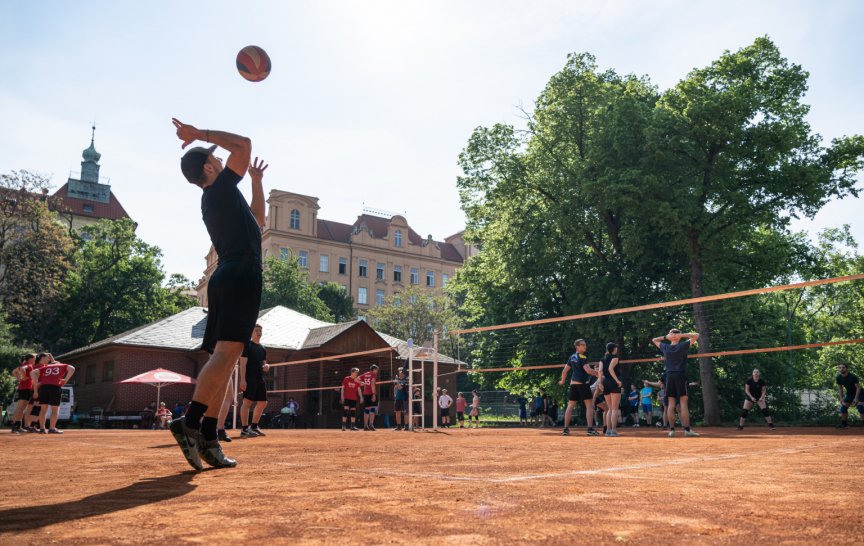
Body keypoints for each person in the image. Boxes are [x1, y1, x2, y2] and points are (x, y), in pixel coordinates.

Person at [169, 118, 266, 471]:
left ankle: (209, 436)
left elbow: (258, 222)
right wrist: (200, 135)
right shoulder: (220, 188)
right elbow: (244, 143)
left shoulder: (220, 197)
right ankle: (190, 423)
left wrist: (257, 183)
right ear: (210, 167)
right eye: (215, 156)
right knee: (226, 356)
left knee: (225, 359)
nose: (224, 159)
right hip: (240, 273)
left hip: (228, 274)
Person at [651, 329, 700, 437]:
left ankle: (672, 430)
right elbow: (696, 335)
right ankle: (687, 430)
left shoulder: (665, 347)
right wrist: (681, 335)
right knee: (683, 404)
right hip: (680, 375)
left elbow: (654, 339)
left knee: (671, 404)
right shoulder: (683, 345)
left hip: (669, 377)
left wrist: (666, 336)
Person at [559, 339, 599, 436]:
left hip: (573, 384)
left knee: (570, 406)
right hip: (582, 384)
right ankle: (590, 429)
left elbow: (564, 371)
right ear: (577, 346)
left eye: (585, 344)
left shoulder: (572, 357)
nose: (585, 346)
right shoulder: (582, 357)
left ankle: (565, 429)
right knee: (589, 405)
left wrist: (563, 381)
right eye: (583, 345)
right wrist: (599, 374)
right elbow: (588, 370)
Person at [239, 324, 270, 438]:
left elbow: (264, 363)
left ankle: (254, 426)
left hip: (259, 378)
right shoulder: (247, 346)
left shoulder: (262, 348)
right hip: (249, 378)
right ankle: (244, 430)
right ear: (251, 333)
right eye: (256, 330)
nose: (259, 332)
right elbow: (242, 364)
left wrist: (267, 366)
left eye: (260, 330)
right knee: (247, 402)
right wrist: (243, 380)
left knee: (263, 402)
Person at [31, 358, 75, 434]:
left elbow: (32, 372)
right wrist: (65, 379)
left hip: (43, 387)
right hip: (54, 387)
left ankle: (42, 429)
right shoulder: (62, 365)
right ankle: (52, 428)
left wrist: (36, 383)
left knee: (43, 409)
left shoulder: (46, 367)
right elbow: (72, 368)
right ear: (58, 363)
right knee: (55, 409)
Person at [599, 343, 623, 437]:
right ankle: (613, 431)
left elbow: (600, 371)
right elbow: (610, 369)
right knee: (615, 409)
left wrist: (600, 383)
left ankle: (608, 431)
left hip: (605, 383)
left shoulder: (602, 359)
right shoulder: (615, 357)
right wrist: (617, 380)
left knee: (609, 409)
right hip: (614, 383)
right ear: (614, 349)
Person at [10, 353, 36, 434]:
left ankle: (18, 425)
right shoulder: (29, 365)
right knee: (21, 407)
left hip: (23, 388)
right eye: (34, 358)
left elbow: (14, 371)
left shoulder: (24, 364)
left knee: (21, 407)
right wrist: (24, 377)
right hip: (26, 388)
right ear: (30, 359)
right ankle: (14, 425)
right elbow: (22, 370)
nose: (35, 359)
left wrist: (19, 378)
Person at [25, 353, 51, 432]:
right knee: (35, 408)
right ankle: (29, 426)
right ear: (42, 358)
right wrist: (35, 391)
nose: (49, 360)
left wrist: (49, 355)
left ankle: (29, 426)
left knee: (33, 409)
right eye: (47, 358)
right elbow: (34, 380)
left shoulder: (42, 366)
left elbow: (55, 363)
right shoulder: (39, 367)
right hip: (36, 390)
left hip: (37, 390)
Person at [835, 363, 862, 429]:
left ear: (846, 368)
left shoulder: (853, 377)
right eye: (840, 367)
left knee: (861, 409)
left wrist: (856, 398)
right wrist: (841, 398)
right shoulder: (838, 377)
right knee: (843, 409)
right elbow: (840, 388)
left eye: (843, 367)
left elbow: (858, 388)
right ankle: (844, 424)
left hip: (860, 394)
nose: (841, 369)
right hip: (849, 394)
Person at [216, 364, 237, 442]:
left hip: (224, 364)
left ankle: (220, 429)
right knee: (224, 397)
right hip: (222, 363)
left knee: (228, 397)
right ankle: (218, 430)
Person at [360, 364, 379, 431]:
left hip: (365, 393)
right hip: (371, 393)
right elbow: (372, 384)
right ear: (374, 369)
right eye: (377, 370)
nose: (377, 371)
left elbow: (356, 379)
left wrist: (362, 383)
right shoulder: (373, 374)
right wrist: (374, 394)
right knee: (372, 409)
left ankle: (365, 426)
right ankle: (371, 424)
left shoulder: (366, 374)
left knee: (366, 410)